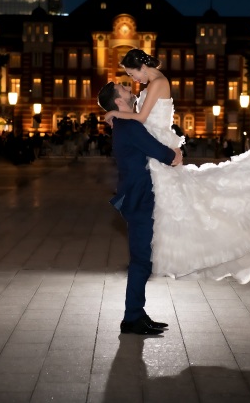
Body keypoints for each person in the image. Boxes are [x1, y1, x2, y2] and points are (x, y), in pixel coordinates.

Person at [105, 48, 250, 284]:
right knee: (173, 206)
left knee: (186, 202)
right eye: (130, 77)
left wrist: (114, 113)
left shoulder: (158, 82)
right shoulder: (150, 85)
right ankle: (158, 256)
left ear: (142, 66)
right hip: (154, 150)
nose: (133, 79)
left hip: (159, 149)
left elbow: (141, 119)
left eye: (132, 74)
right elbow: (141, 122)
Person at [97, 81, 183, 336]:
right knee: (141, 261)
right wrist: (175, 153)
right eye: (123, 88)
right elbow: (163, 154)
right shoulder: (130, 126)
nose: (128, 87)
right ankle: (132, 318)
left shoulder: (126, 122)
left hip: (137, 197)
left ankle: (136, 313)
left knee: (141, 259)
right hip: (139, 199)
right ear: (119, 101)